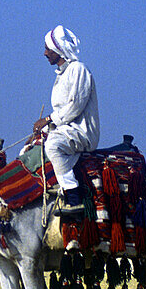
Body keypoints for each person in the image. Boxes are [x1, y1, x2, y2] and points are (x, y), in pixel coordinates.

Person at [31, 25, 100, 216]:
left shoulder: (79, 70)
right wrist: (41, 131)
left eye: (47, 49)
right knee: (32, 147)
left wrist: (47, 120)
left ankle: (73, 195)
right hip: (66, 129)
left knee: (52, 145)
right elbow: (61, 115)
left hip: (83, 132)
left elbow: (74, 107)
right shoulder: (62, 75)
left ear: (57, 49)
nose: (44, 53)